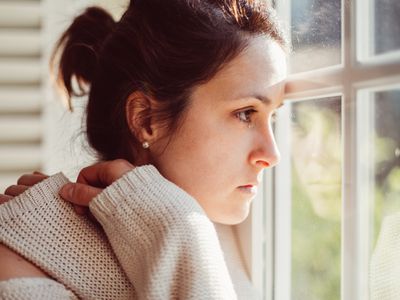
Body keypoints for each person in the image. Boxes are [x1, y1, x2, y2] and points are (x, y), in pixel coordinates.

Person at [0, 0, 287, 299]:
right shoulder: (18, 263)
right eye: (245, 114)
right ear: (145, 119)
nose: (272, 154)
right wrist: (180, 229)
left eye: (274, 116)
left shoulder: (226, 236)